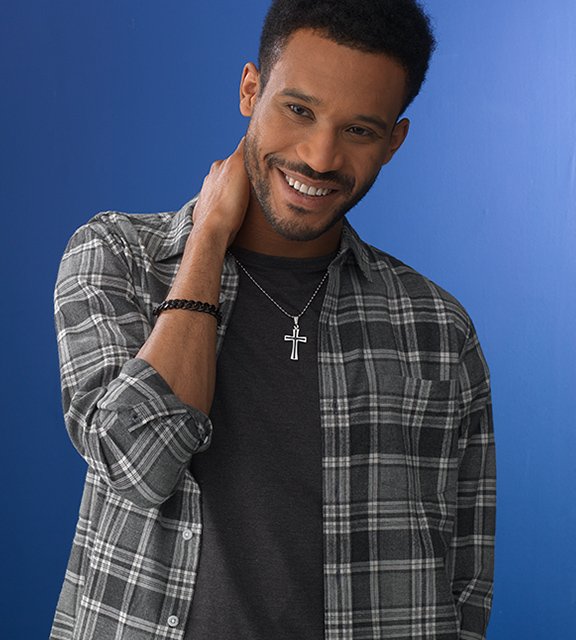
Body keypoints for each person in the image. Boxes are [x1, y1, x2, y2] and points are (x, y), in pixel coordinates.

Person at [50, 1, 495, 638]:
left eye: (359, 131)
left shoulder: (436, 328)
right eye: (299, 110)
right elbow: (137, 463)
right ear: (250, 89)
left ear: (394, 141)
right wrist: (206, 242)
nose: (319, 156)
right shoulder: (118, 258)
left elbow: (465, 579)